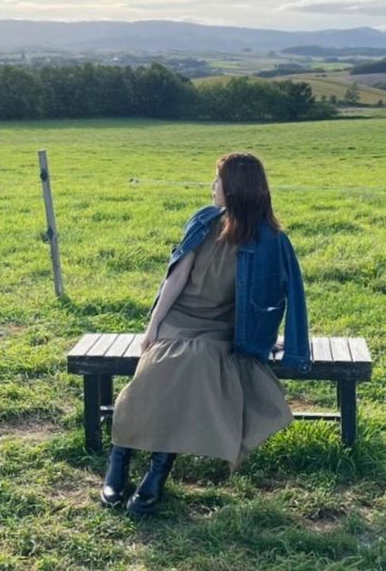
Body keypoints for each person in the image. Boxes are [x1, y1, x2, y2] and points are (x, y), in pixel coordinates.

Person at [101, 152, 311, 515]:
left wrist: (266, 338)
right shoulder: (203, 221)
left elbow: (285, 295)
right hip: (180, 318)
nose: (211, 187)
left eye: (217, 181)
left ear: (235, 188)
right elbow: (176, 277)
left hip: (222, 328)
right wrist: (153, 326)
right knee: (157, 367)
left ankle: (158, 471)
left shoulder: (271, 240)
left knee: (192, 363)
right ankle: (119, 457)